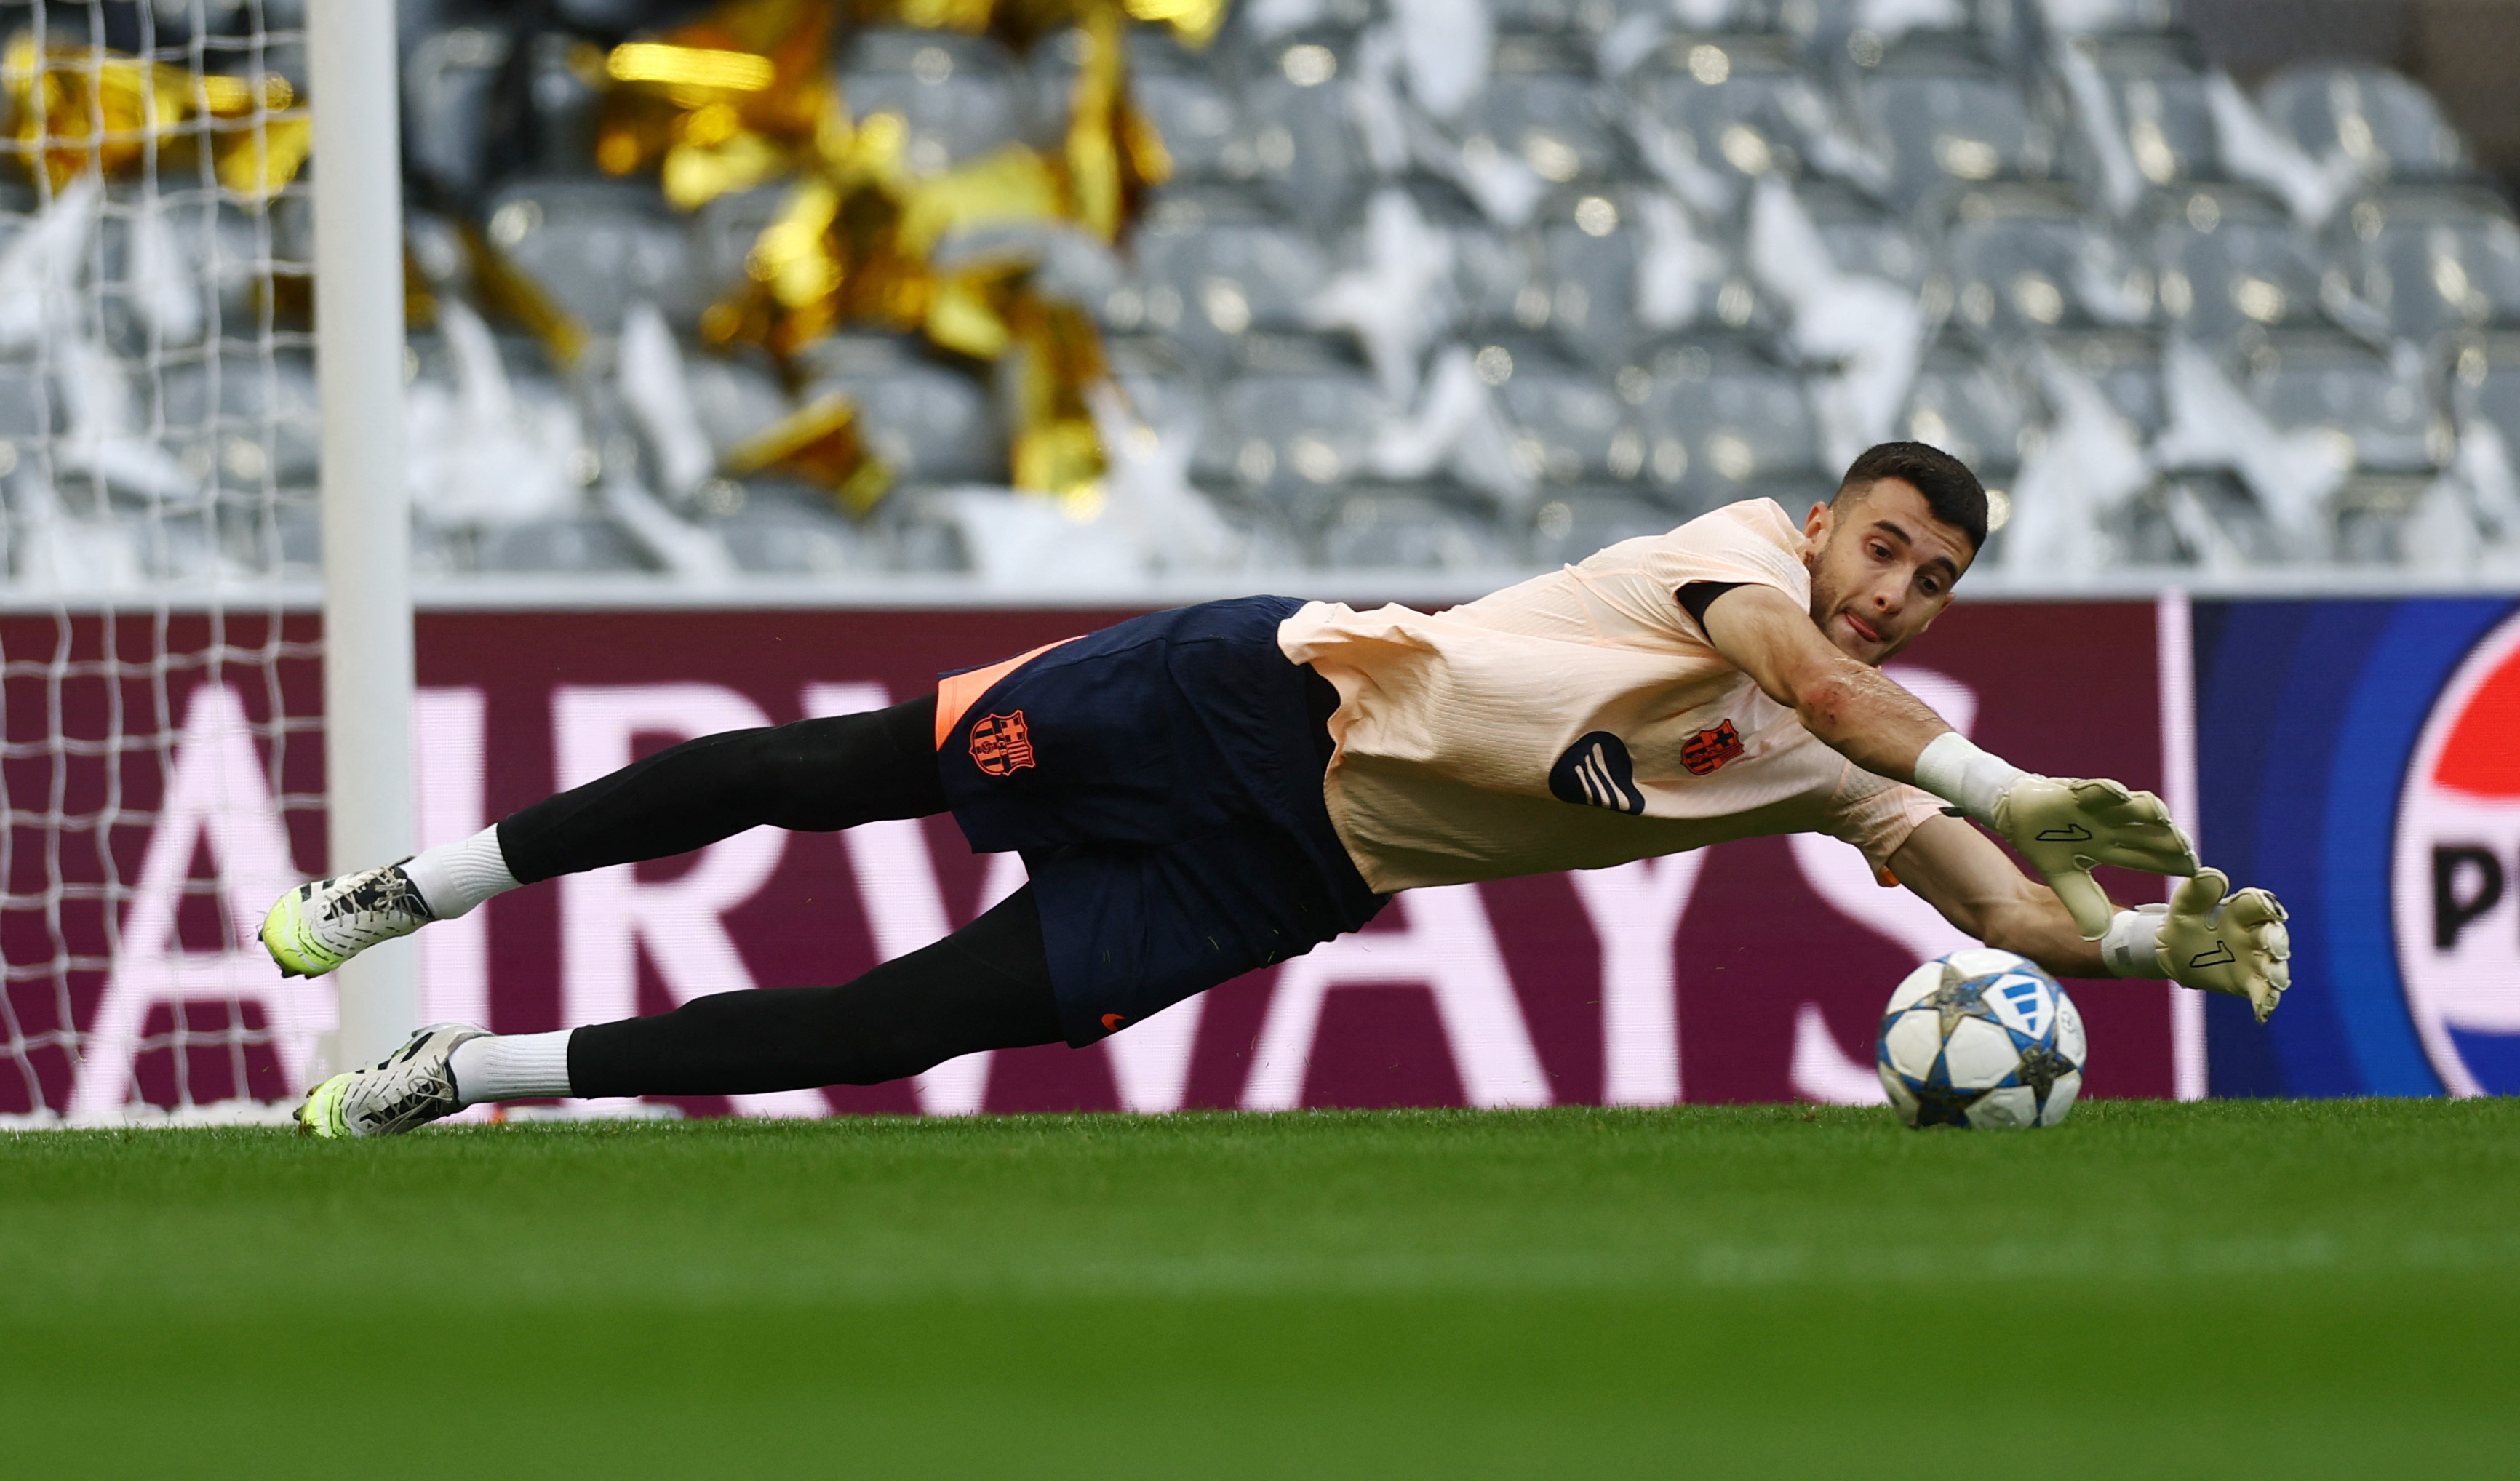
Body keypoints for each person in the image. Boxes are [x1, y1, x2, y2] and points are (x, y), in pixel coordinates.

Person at [271, 442, 2291, 1137]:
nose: (1898, 595)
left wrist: (2128, 947)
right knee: (830, 772)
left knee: (894, 1028)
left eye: (1935, 583)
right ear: (1827, 522)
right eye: (1886, 550)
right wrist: (2009, 778)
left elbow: (1979, 894)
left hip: (1288, 876)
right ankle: (419, 885)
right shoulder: (1745, 567)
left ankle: (465, 1071)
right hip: (1249, 698)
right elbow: (1826, 690)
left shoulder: (1841, 758)